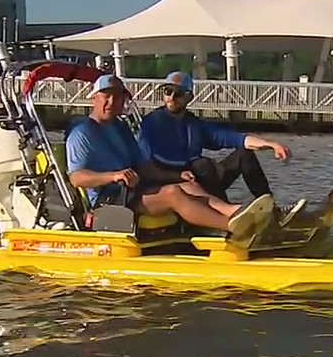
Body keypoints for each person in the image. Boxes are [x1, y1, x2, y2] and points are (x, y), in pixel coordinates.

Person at [64, 73, 274, 242]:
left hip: (132, 189)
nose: (111, 102)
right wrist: (113, 176)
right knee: (173, 193)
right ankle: (231, 227)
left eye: (117, 97)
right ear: (94, 98)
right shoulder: (82, 133)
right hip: (109, 199)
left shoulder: (120, 127)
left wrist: (175, 175)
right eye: (106, 96)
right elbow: (77, 178)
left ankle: (238, 212)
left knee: (187, 184)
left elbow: (144, 167)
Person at [138, 70, 305, 220]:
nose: (172, 98)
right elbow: (149, 164)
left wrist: (272, 145)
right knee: (202, 164)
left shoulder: (194, 124)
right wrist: (179, 175)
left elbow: (235, 138)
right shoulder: (152, 123)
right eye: (168, 92)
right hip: (170, 181)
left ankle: (272, 212)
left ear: (189, 97)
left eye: (178, 93)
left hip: (199, 179)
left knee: (243, 154)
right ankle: (232, 219)